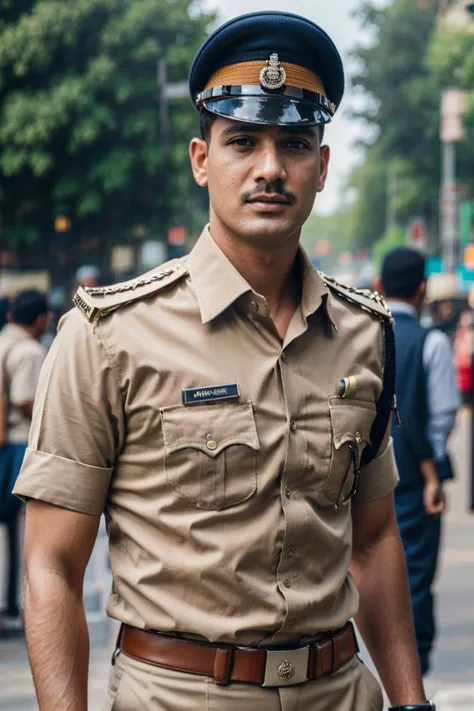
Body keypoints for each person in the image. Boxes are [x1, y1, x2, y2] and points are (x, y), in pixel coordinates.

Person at [14, 12, 435, 711]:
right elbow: (51, 564)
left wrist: (411, 700)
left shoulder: (365, 333)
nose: (270, 168)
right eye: (243, 140)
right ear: (201, 159)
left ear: (322, 166)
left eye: (295, 143)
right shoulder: (108, 335)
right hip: (178, 695)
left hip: (342, 692)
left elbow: (375, 535)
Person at [377, 248, 461, 677]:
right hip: (412, 481)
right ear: (422, 290)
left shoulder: (363, 337)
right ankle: (413, 678)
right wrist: (433, 474)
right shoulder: (431, 342)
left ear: (378, 286)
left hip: (361, 478)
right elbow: (441, 416)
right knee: (415, 576)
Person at [0, 290, 49, 635]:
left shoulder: (4, 340)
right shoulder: (29, 351)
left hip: (4, 444)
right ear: (41, 318)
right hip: (17, 444)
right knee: (20, 528)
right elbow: (23, 398)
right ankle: (13, 603)